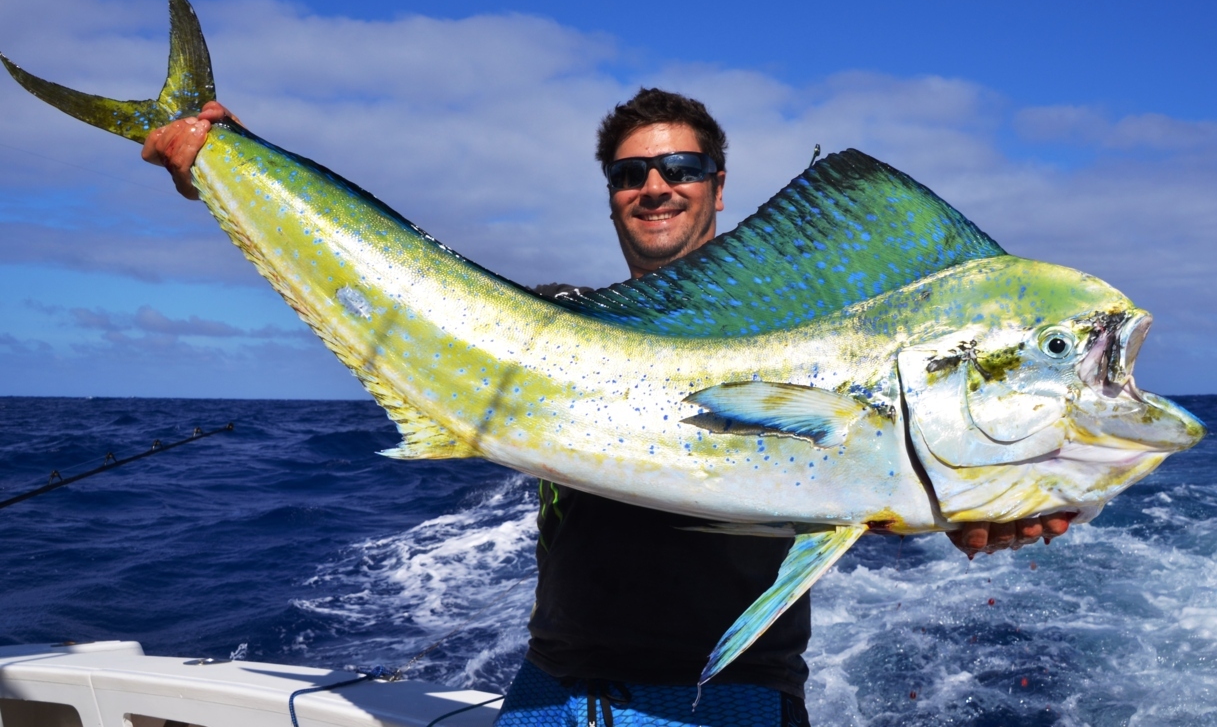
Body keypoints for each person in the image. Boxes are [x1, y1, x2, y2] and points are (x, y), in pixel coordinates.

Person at [143, 88, 1073, 726]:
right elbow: (388, 287)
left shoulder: (832, 347)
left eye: (679, 166)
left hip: (728, 698)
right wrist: (227, 165)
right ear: (611, 196)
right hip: (552, 687)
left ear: (716, 184)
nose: (654, 186)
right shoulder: (551, 326)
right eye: (630, 174)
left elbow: (882, 475)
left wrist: (974, 504)